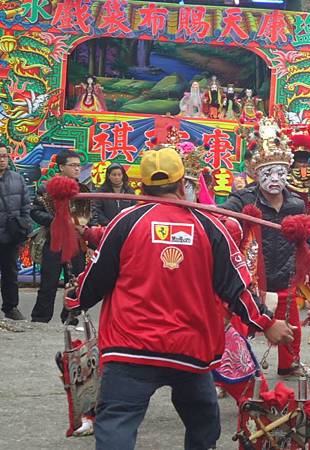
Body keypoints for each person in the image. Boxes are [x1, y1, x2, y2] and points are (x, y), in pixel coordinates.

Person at [69, 147, 294, 450]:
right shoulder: (209, 226)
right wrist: (266, 323)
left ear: (142, 187)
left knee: (116, 425)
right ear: (181, 185)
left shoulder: (125, 222)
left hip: (131, 348)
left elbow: (94, 281)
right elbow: (237, 287)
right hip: (190, 350)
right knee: (203, 425)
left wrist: (74, 301)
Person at [222, 117, 310, 379]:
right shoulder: (242, 200)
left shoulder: (296, 204)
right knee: (239, 327)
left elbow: (306, 241)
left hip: (284, 276)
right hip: (250, 280)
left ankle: (291, 363)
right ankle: (228, 371)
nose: (275, 179)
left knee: (291, 325)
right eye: (268, 173)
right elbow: (222, 222)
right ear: (255, 173)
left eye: (280, 173)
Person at [31, 150, 86, 323]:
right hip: (53, 241)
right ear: (61, 167)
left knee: (75, 282)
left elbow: (90, 215)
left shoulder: (83, 189)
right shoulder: (47, 188)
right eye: (73, 165)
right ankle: (40, 319)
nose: (77, 169)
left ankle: (71, 317)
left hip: (76, 243)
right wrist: (56, 221)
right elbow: (35, 212)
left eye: (79, 165)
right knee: (48, 284)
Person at [0, 144, 30, 321]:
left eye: (4, 156)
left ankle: (11, 308)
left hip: (10, 236)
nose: (2, 159)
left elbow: (26, 205)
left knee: (10, 274)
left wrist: (24, 224)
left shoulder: (17, 179)